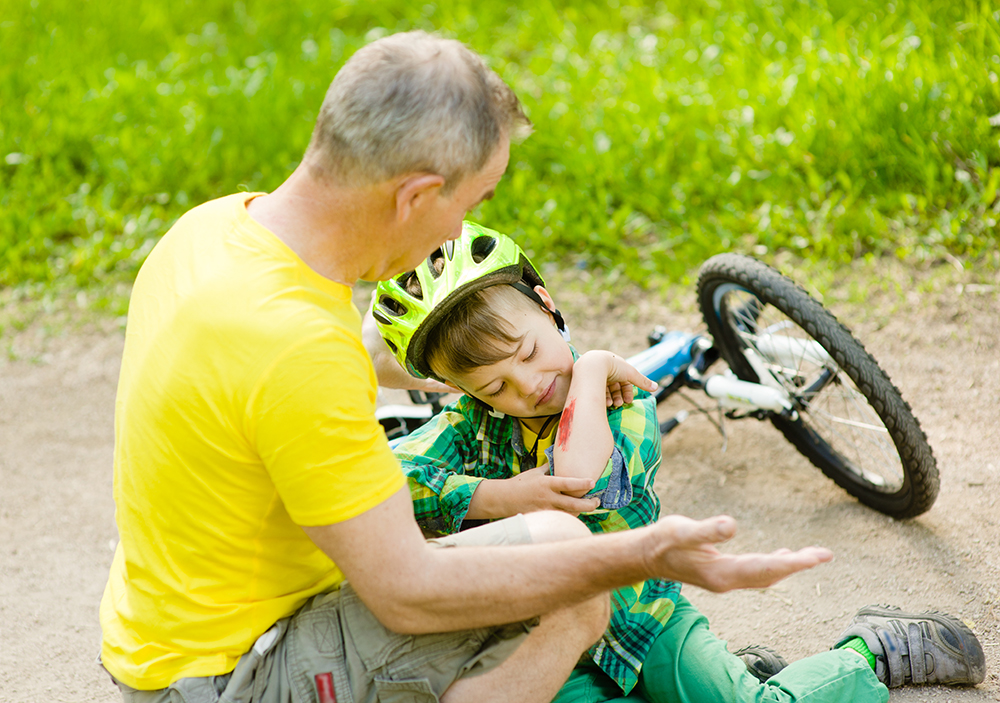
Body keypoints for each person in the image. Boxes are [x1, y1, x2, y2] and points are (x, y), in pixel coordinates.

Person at [100, 30, 835, 703]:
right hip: (237, 674)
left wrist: (440, 366)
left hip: (162, 642)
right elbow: (407, 595)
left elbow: (271, 377)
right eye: (475, 201)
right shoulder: (299, 352)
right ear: (417, 193)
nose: (459, 232)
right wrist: (643, 552)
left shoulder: (212, 230)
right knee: (570, 573)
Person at [369, 222, 987, 703]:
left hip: (646, 621)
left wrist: (588, 369)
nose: (524, 387)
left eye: (529, 353)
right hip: (554, 644)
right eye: (492, 387)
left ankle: (870, 652)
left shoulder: (622, 402)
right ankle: (735, 675)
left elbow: (578, 481)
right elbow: (378, 478)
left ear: (546, 302)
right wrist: (490, 497)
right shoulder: (476, 424)